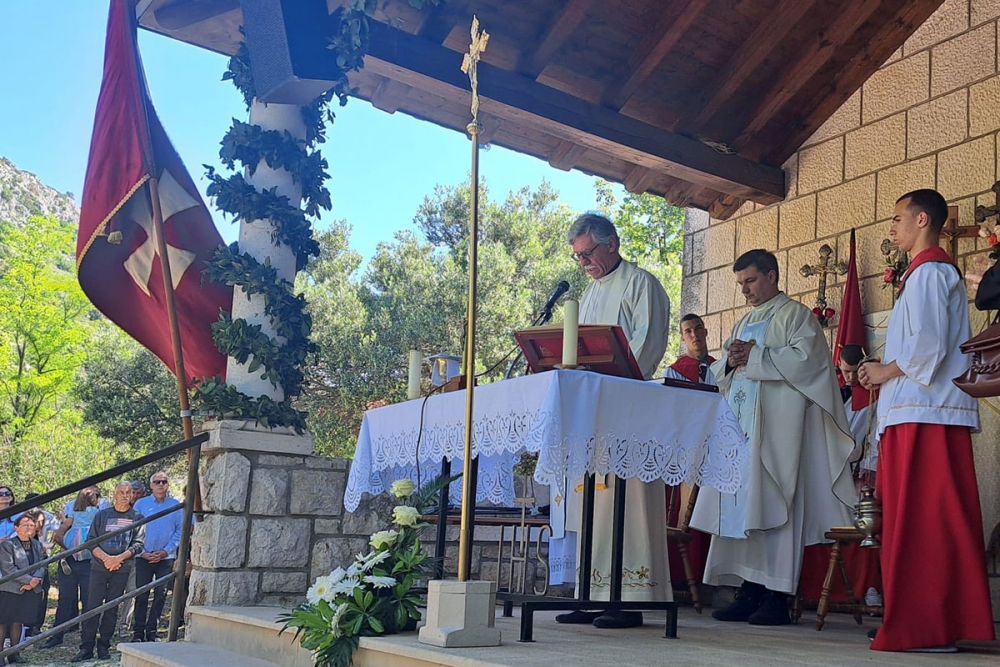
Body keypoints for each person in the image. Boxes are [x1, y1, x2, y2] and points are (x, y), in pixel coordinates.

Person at [859, 189, 995, 652]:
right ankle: (929, 623)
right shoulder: (921, 275)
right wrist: (882, 370)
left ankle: (927, 626)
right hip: (914, 411)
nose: (892, 228)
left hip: (926, 414)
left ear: (922, 220)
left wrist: (884, 370)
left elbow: (930, 347)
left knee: (925, 521)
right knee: (919, 520)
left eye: (897, 218)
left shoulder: (933, 272)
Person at [690, 248, 856, 625]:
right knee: (741, 510)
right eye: (740, 283)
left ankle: (777, 595)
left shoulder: (795, 316)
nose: (745, 290)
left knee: (777, 508)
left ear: (772, 277)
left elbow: (810, 364)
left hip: (779, 437)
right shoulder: (743, 322)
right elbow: (722, 373)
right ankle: (748, 590)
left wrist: (757, 355)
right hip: (743, 436)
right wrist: (730, 363)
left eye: (750, 281)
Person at [552, 213, 672, 629]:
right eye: (578, 257)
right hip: (596, 413)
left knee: (627, 506)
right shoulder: (587, 294)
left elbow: (649, 342)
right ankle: (592, 595)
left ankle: (631, 598)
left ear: (612, 243)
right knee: (595, 508)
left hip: (630, 412)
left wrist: (615, 384)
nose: (584, 262)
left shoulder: (642, 284)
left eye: (588, 253)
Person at [71, 482, 145, 662]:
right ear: (114, 494)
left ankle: (104, 645)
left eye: (128, 492)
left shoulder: (137, 517)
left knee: (112, 608)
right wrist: (106, 558)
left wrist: (118, 559)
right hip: (98, 568)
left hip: (122, 568)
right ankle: (86, 647)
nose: (125, 495)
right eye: (121, 492)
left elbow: (138, 544)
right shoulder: (102, 515)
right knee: (92, 607)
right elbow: (91, 540)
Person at [43, 487, 101, 649]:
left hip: (70, 558)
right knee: (88, 599)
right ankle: (86, 637)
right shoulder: (97, 514)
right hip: (88, 561)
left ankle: (57, 635)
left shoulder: (72, 515)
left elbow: (58, 535)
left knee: (65, 599)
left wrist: (68, 547)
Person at [131, 472, 182, 642]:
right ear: (151, 485)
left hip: (165, 559)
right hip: (143, 557)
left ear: (168, 485)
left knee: (160, 595)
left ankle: (152, 631)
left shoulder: (176, 506)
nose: (161, 484)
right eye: (157, 482)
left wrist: (166, 551)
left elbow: (180, 531)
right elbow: (133, 529)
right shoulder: (140, 504)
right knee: (142, 594)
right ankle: (138, 632)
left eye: (164, 481)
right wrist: (142, 551)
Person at [0, 514, 45, 664]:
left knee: (18, 621)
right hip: (11, 588)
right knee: (4, 621)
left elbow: (42, 564)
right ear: (16, 527)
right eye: (25, 524)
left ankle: (14, 653)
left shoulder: (37, 545)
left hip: (29, 589)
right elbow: (8, 568)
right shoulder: (7, 545)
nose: (29, 527)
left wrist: (34, 581)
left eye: (32, 525)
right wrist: (28, 580)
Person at [664, 313, 717, 385]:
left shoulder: (719, 368)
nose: (694, 334)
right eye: (688, 331)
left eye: (698, 329)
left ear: (705, 332)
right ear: (682, 338)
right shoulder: (673, 373)